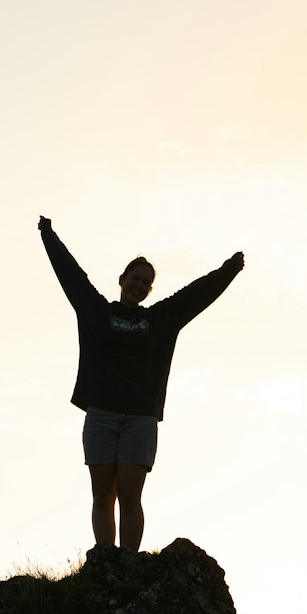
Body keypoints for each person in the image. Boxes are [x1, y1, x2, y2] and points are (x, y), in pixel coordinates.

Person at [38, 216, 244, 552]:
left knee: (130, 495)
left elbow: (196, 294)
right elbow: (70, 275)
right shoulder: (96, 312)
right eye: (135, 278)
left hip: (140, 419)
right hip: (101, 415)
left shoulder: (159, 320)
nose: (139, 284)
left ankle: (129, 564)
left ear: (150, 289)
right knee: (102, 493)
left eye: (146, 282)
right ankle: (107, 560)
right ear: (122, 279)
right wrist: (49, 235)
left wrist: (229, 270)